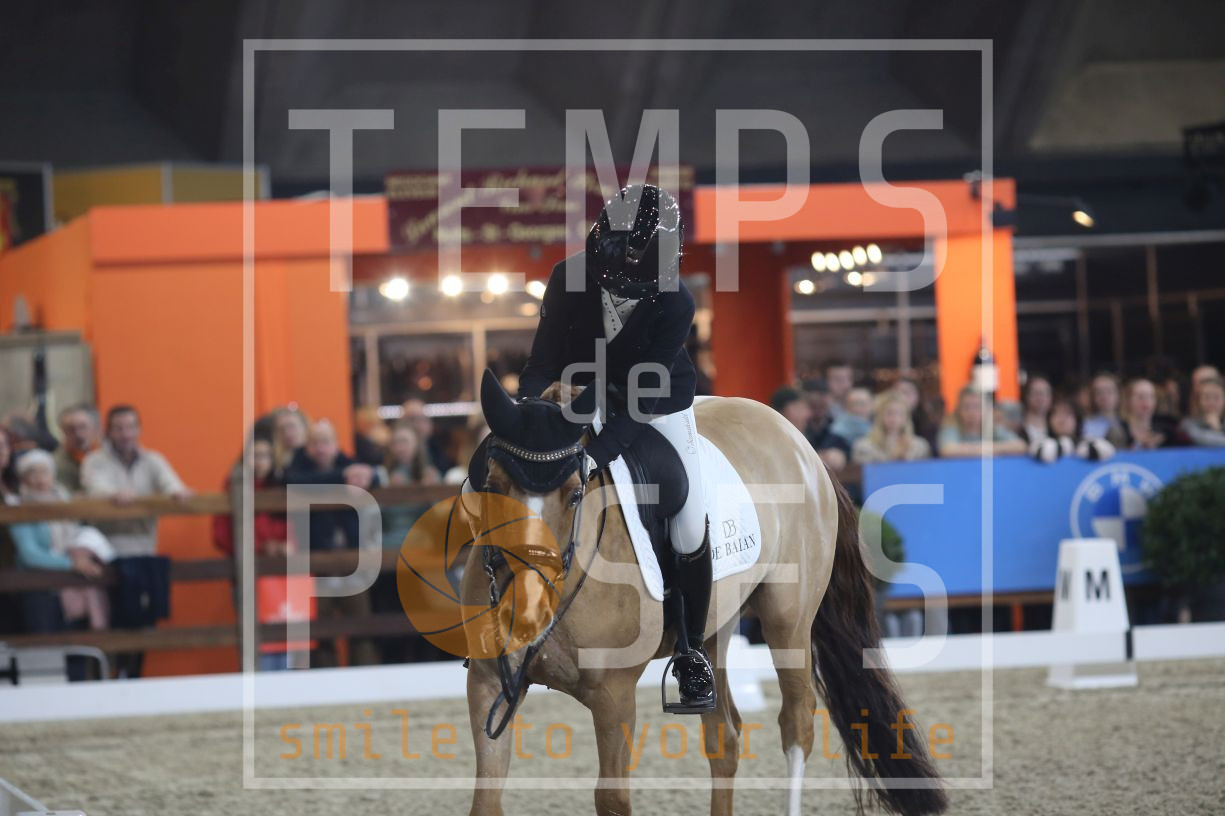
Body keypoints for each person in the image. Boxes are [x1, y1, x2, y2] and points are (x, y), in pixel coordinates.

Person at [516, 183, 714, 712]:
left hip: (658, 404)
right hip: (581, 396)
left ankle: (692, 652)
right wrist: (530, 416)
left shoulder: (677, 300)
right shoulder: (568, 276)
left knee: (689, 517)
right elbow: (541, 362)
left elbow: (643, 398)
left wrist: (597, 456)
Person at [81, 405, 189, 678]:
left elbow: (171, 484)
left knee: (143, 619)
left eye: (130, 427)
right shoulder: (95, 461)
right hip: (108, 553)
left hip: (144, 551)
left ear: (139, 430)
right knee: (112, 619)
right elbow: (95, 488)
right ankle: (108, 676)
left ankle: (132, 677)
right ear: (109, 431)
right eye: (118, 428)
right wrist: (114, 495)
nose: (125, 433)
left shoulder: (153, 460)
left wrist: (177, 493)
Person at [937, 387, 1027, 458]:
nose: (971, 413)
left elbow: (1021, 446)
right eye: (966, 407)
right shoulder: (951, 427)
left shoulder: (993, 429)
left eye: (977, 407)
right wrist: (990, 450)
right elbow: (947, 450)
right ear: (959, 410)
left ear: (986, 410)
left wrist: (981, 450)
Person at [853, 391, 932, 463]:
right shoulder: (864, 447)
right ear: (880, 416)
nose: (895, 418)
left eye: (900, 413)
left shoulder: (919, 446)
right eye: (890, 413)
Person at [1029, 398, 1115, 463]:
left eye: (1067, 413)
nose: (1061, 419)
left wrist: (1086, 450)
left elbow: (1109, 452)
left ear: (1077, 419)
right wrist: (1065, 446)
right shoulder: (1040, 442)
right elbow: (1044, 453)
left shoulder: (1089, 441)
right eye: (1056, 413)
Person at [1107, 379, 1182, 450]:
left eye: (1150, 396)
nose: (1146, 401)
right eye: (1140, 397)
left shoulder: (1167, 431)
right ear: (1128, 400)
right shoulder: (1116, 430)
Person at [797, 379, 852, 473]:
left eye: (822, 405)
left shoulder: (836, 426)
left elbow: (847, 448)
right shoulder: (799, 427)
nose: (818, 409)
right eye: (813, 405)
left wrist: (841, 454)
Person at [54, 404, 101, 493]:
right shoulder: (55, 464)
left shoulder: (109, 457)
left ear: (95, 428)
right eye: (71, 429)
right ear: (62, 431)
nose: (78, 434)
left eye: (83, 427)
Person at [1180, 376, 1225, 447]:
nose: (1211, 402)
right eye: (1206, 397)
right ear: (1198, 401)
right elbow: (1204, 440)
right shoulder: (1188, 424)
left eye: (1216, 397)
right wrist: (1216, 428)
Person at [270, 406, 310, 483]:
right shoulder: (274, 462)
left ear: (305, 427)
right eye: (281, 429)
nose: (287, 432)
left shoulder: (318, 455)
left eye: (291, 426)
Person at [1083, 373, 1123, 440]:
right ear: (1092, 397)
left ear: (1119, 394)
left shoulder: (1128, 422)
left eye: (1109, 391)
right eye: (1098, 392)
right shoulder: (1086, 424)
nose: (1104, 396)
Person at [1018, 375, 1053, 446]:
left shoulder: (1057, 426)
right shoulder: (1016, 426)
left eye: (1045, 392)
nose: (1040, 397)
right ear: (1026, 396)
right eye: (1035, 392)